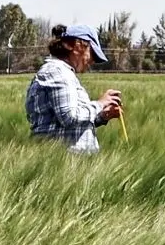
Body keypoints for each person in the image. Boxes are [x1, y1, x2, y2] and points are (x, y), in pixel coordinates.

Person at [26, 24, 122, 154]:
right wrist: (100, 104)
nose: (92, 61)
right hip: (60, 163)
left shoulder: (63, 73)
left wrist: (102, 116)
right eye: (92, 54)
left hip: (67, 164)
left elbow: (70, 124)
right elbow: (69, 117)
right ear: (77, 47)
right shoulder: (58, 72)